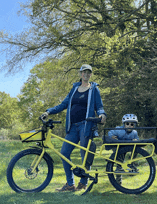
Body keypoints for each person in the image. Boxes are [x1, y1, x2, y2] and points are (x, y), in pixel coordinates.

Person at [41, 64, 106, 192]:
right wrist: (49, 111)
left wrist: (102, 114)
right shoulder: (75, 88)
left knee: (84, 155)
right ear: (80, 74)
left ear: (90, 74)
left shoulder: (94, 89)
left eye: (88, 72)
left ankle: (83, 183)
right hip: (72, 126)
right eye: (84, 72)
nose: (86, 74)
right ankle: (70, 184)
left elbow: (99, 105)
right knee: (64, 152)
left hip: (86, 126)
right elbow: (64, 104)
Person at [108, 114, 139, 185]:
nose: (129, 126)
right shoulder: (119, 129)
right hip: (118, 147)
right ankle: (118, 181)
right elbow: (110, 132)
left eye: (132, 124)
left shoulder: (134, 132)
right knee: (119, 162)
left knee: (137, 148)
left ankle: (131, 162)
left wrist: (135, 140)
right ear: (124, 124)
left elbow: (137, 138)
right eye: (127, 124)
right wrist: (112, 136)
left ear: (134, 125)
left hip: (127, 147)